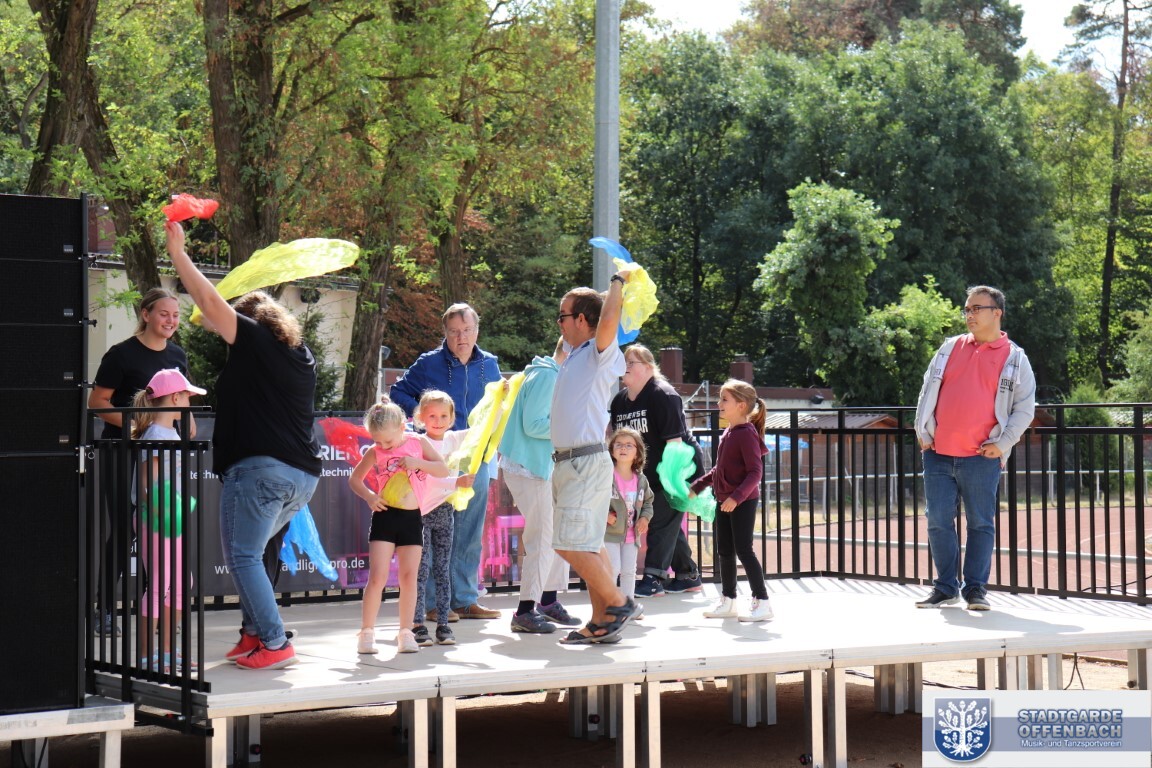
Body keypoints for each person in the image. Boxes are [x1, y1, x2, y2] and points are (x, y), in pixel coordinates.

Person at [165, 220, 322, 670]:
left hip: (261, 470)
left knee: (244, 555)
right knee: (247, 554)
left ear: (250, 320)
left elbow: (210, 303)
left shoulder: (254, 340)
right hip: (300, 477)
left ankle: (275, 642)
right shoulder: (299, 355)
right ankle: (254, 633)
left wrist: (179, 254)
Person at [914, 285, 1036, 612]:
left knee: (980, 523)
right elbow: (926, 391)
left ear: (997, 313)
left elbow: (1024, 408)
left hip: (982, 457)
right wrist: (922, 431)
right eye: (967, 309)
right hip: (938, 453)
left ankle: (975, 590)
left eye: (976, 308)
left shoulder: (1015, 358)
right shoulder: (949, 347)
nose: (969, 315)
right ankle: (945, 588)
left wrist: (1003, 443)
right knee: (937, 520)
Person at [89, 287, 191, 637]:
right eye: (164, 314)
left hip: (163, 455)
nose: (171, 321)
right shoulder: (121, 354)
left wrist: (188, 425)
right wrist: (137, 427)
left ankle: (158, 611)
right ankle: (104, 610)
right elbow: (97, 403)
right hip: (122, 454)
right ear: (146, 315)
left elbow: (181, 401)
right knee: (124, 529)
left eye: (175, 315)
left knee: (159, 528)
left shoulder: (177, 355)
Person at [390, 304, 501, 621]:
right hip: (436, 458)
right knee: (432, 533)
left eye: (466, 330)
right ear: (445, 333)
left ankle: (464, 600)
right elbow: (398, 392)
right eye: (454, 332)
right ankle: (432, 604)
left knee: (469, 533)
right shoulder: (429, 363)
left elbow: (497, 406)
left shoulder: (490, 364)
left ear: (476, 330)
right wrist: (423, 417)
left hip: (475, 459)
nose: (461, 337)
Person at [551, 275, 642, 644]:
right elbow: (597, 313)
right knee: (588, 545)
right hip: (571, 463)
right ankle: (602, 622)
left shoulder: (598, 351)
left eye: (563, 316)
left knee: (568, 543)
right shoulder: (574, 353)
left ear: (581, 320)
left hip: (583, 464)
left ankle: (619, 603)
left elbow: (607, 320)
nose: (558, 323)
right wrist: (605, 296)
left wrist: (618, 282)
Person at [348, 399, 450, 655]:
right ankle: (367, 631)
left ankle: (406, 631)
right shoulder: (375, 451)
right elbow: (355, 479)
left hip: (412, 518)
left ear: (402, 428)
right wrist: (370, 496)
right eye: (378, 441)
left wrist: (418, 463)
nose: (383, 446)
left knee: (409, 577)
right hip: (385, 516)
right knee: (378, 577)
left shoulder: (418, 442)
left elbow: (442, 469)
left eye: (388, 442)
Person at [499, 339, 581, 634]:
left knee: (554, 535)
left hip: (535, 467)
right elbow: (533, 424)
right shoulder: (547, 376)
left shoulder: (546, 373)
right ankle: (524, 611)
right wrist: (571, 426)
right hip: (530, 468)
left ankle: (547, 601)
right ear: (570, 353)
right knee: (543, 539)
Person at [610, 344, 703, 597]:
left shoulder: (663, 395)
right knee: (668, 522)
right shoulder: (619, 401)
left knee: (661, 518)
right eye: (623, 362)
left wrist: (673, 483)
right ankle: (687, 575)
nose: (625, 367)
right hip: (645, 473)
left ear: (649, 367)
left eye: (631, 362)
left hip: (676, 468)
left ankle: (653, 579)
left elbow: (675, 443)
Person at [130, 368, 207, 673]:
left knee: (181, 582)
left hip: (168, 518)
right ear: (175, 398)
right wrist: (160, 513)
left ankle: (166, 652)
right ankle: (147, 656)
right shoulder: (156, 434)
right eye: (187, 398)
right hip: (156, 519)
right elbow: (148, 484)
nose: (189, 404)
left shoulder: (169, 433)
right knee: (161, 584)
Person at [690, 379, 774, 623]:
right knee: (725, 551)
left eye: (724, 399)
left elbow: (755, 472)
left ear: (741, 405)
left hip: (742, 502)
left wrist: (737, 498)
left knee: (744, 550)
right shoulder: (729, 432)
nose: (719, 403)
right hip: (724, 501)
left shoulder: (746, 434)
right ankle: (728, 601)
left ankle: (763, 602)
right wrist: (698, 486)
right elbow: (719, 469)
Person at [409, 390, 474, 648]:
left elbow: (485, 429)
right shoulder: (417, 443)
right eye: (432, 416)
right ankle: (417, 624)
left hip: (445, 511)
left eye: (443, 416)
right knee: (420, 569)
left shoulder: (454, 439)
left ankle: (444, 624)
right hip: (420, 513)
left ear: (452, 418)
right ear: (421, 417)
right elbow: (427, 477)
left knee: (442, 568)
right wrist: (455, 481)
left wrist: (501, 399)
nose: (438, 421)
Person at [604, 428, 654, 604]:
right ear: (611, 450)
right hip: (609, 533)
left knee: (629, 571)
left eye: (628, 445)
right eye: (618, 445)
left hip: (632, 536)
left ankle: (628, 605)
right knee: (612, 569)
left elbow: (648, 502)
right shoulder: (606, 476)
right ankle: (609, 606)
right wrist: (605, 515)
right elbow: (593, 499)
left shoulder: (641, 480)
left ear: (637, 453)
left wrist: (645, 518)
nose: (623, 448)